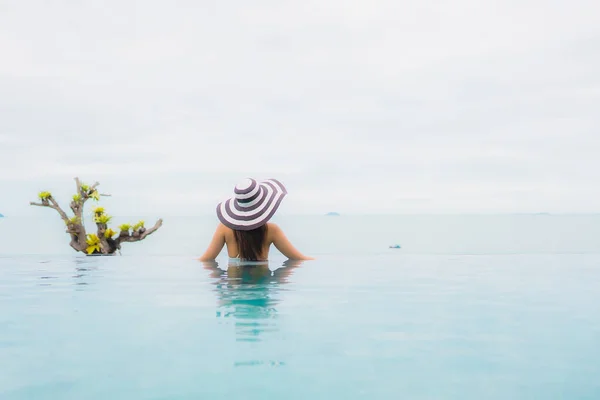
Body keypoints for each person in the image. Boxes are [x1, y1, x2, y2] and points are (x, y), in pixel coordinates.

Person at [199, 178, 313, 261]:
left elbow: (206, 260)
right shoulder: (272, 230)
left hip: (234, 289)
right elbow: (298, 259)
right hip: (261, 288)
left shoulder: (224, 228)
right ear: (263, 203)